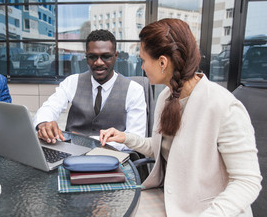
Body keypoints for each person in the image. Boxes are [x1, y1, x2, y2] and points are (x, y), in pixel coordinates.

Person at [100, 19, 262, 216]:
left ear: (162, 62)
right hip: (171, 199)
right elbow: (165, 148)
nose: (142, 67)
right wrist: (126, 138)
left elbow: (247, 182)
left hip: (204, 210)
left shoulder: (224, 106)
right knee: (104, 208)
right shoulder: (166, 97)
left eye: (143, 60)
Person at [33, 29, 147, 149]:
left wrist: (87, 141)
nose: (98, 63)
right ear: (86, 56)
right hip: (73, 154)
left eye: (105, 56)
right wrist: (43, 123)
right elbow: (50, 107)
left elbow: (135, 138)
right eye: (92, 57)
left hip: (113, 158)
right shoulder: (72, 82)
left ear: (116, 56)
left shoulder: (134, 90)